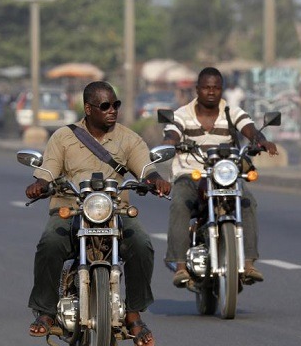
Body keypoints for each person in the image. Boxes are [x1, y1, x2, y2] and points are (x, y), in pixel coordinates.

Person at [25, 81, 170, 346]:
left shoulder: (127, 137)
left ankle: (134, 315)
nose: (112, 110)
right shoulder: (63, 137)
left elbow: (145, 167)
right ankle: (45, 311)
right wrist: (40, 184)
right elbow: (48, 170)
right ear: (88, 108)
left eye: (116, 105)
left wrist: (155, 179)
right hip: (71, 209)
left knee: (141, 244)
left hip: (115, 210)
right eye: (105, 106)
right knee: (50, 243)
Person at [161, 67, 278, 288]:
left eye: (215, 87)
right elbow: (172, 132)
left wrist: (261, 141)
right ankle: (179, 266)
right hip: (191, 174)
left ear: (222, 89)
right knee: (179, 203)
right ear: (197, 89)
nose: (211, 92)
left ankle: (248, 263)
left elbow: (250, 129)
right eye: (206, 87)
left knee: (248, 201)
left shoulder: (232, 112)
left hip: (225, 173)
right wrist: (170, 142)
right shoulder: (182, 114)